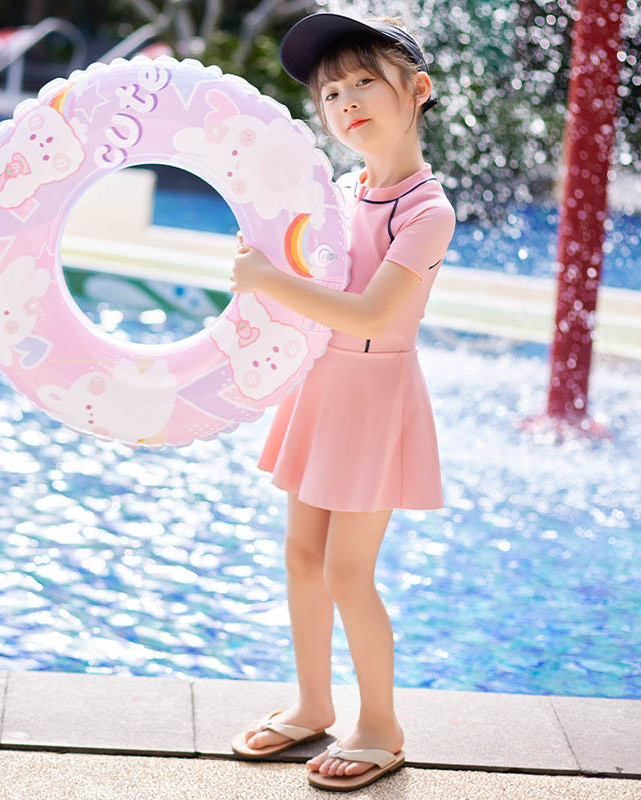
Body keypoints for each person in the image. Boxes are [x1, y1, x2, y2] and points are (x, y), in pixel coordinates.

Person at [227, 11, 457, 792]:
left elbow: (367, 313)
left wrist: (267, 279)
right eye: (330, 91)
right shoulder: (340, 192)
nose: (346, 100)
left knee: (349, 574)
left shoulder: (427, 211)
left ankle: (381, 727)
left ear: (417, 90)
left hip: (374, 397)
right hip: (320, 388)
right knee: (301, 558)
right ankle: (312, 703)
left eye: (364, 80)